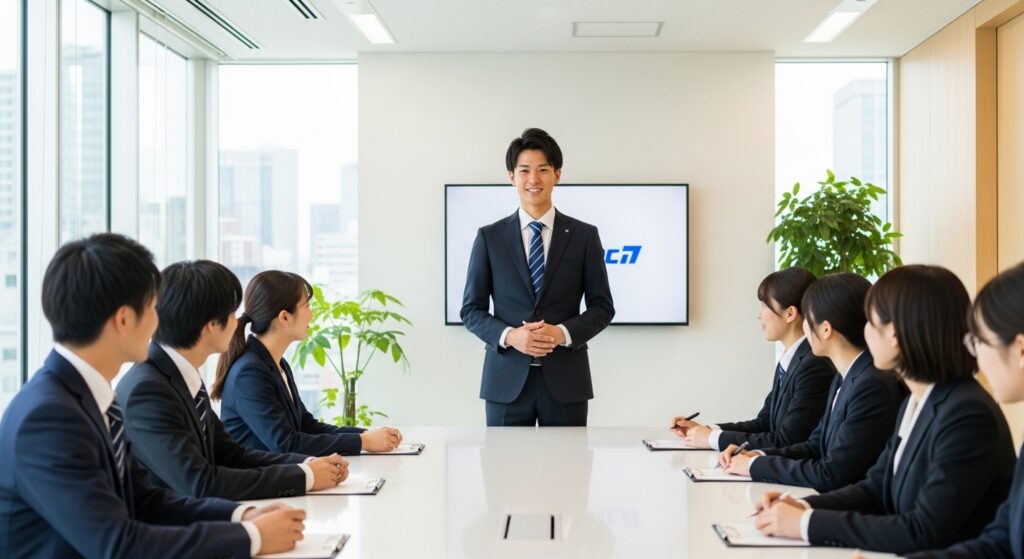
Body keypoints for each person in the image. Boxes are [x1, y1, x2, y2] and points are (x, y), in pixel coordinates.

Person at [0, 233, 305, 558]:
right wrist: (250, 538)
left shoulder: (86, 396)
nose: (160, 321)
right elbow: (118, 545)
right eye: (152, 307)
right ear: (124, 319)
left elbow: (144, 500)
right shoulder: (48, 417)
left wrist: (240, 516)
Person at [753, 265, 1015, 555]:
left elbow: (922, 530)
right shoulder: (917, 401)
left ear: (897, 334)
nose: (864, 332)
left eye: (872, 322)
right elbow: (875, 487)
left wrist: (806, 523)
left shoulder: (967, 414)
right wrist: (802, 506)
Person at [117, 260, 350, 501]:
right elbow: (200, 483)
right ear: (211, 325)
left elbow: (232, 455)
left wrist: (308, 464)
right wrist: (305, 477)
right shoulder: (147, 390)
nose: (238, 322)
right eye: (231, 313)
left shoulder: (181, 376)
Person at [461, 127, 615, 426]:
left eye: (543, 170)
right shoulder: (489, 237)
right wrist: (511, 336)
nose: (534, 180)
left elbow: (602, 307)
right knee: (504, 471)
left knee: (567, 470)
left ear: (557, 174)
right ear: (511, 176)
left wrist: (562, 334)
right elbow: (471, 310)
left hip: (566, 383)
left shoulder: (584, 236)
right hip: (505, 383)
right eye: (525, 170)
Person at [719, 273, 906, 492]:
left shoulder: (871, 385)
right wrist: (757, 456)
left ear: (826, 329)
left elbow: (833, 473)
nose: (804, 328)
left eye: (807, 319)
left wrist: (755, 465)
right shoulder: (844, 375)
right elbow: (815, 445)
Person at [215, 270, 403, 455]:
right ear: (284, 317)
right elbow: (286, 443)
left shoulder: (277, 364)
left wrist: (367, 435)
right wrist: (364, 441)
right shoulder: (249, 373)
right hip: (261, 481)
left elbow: (306, 426)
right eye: (307, 306)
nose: (311, 314)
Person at [911, 263, 1024, 558]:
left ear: (1021, 350)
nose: (977, 359)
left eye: (978, 342)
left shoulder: (969, 410)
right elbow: (999, 543)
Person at [672, 267, 835, 450]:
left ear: (790, 313)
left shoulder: (814, 364)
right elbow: (763, 424)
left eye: (765, 305)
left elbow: (787, 439)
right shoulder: (792, 359)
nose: (759, 315)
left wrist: (712, 439)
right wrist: (707, 430)